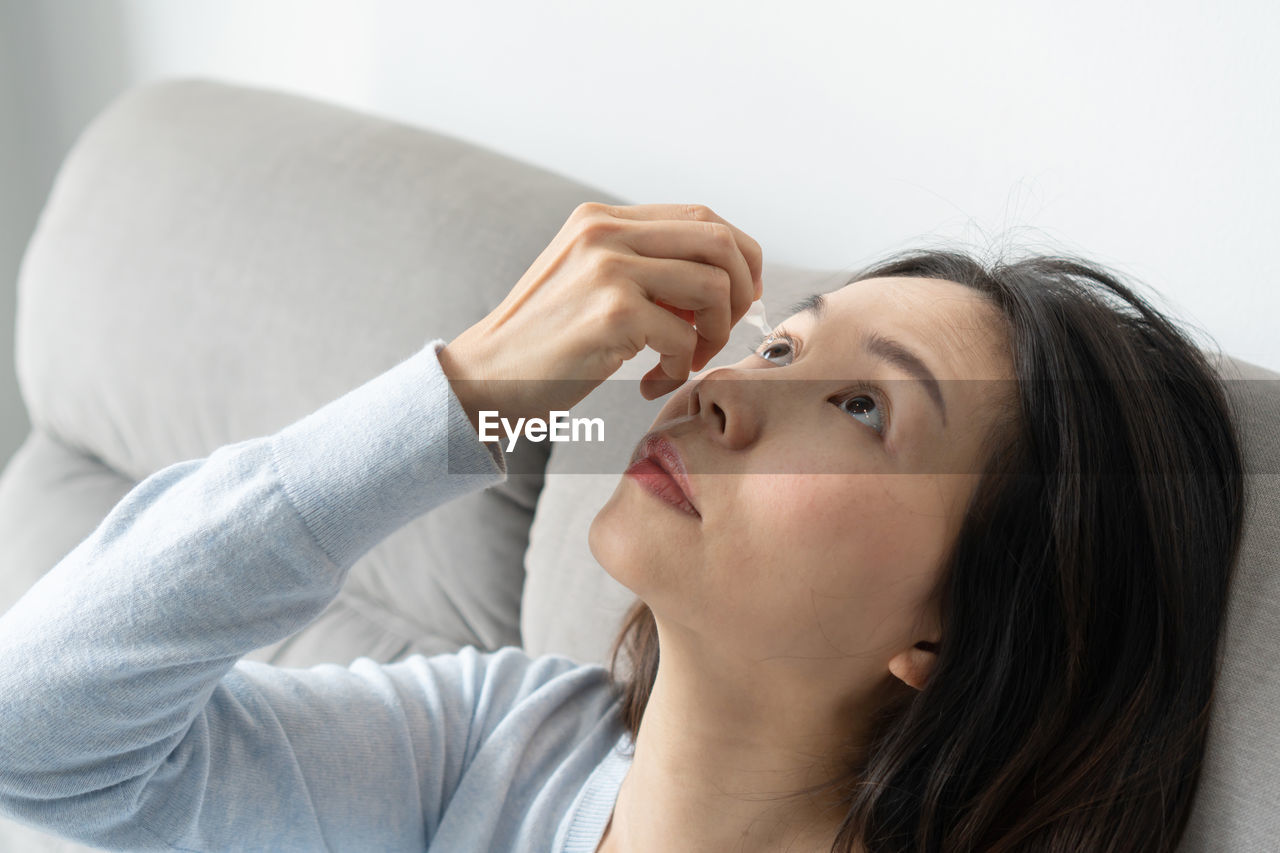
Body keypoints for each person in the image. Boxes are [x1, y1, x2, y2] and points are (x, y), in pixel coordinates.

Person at [0, 202, 1245, 852]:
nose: (724, 389)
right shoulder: (500, 746)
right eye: (775, 344)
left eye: (861, 406)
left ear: (955, 628)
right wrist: (465, 399)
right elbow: (36, 732)